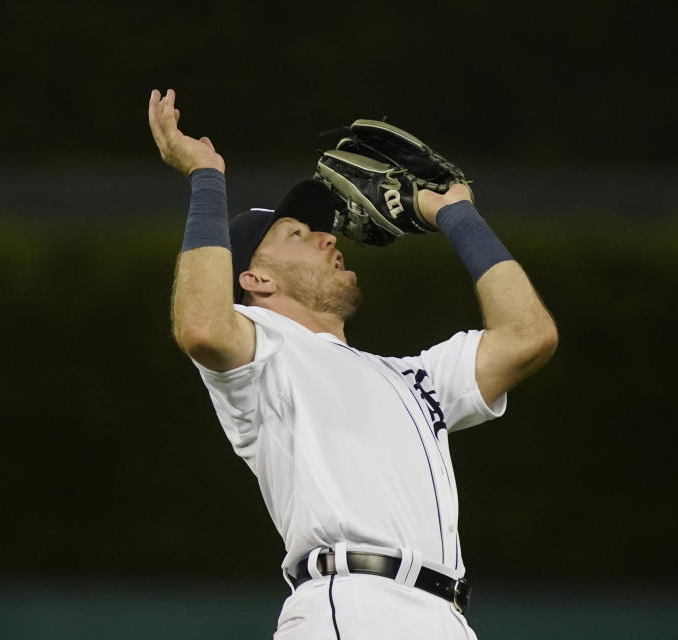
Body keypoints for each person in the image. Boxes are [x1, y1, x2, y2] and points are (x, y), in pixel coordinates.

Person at [148, 88, 558, 640]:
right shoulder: (264, 355)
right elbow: (200, 325)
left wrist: (454, 213)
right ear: (256, 280)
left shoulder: (415, 378)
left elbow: (528, 336)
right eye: (298, 234)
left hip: (446, 617)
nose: (327, 237)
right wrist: (206, 177)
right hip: (354, 606)